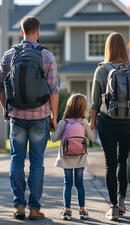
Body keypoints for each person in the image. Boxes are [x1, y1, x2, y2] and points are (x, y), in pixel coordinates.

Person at [0, 16, 59, 220]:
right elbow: (54, 91)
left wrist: (6, 108)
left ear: (22, 31)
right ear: (37, 32)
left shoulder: (10, 54)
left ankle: (19, 206)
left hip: (17, 116)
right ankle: (34, 209)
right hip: (40, 116)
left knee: (16, 160)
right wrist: (54, 118)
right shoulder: (47, 56)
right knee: (37, 163)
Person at [89, 32, 130, 221]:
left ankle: (112, 207)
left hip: (107, 122)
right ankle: (122, 201)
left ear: (108, 48)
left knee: (110, 163)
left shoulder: (101, 70)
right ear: (124, 47)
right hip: (129, 123)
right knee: (123, 162)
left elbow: (94, 102)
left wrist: (92, 123)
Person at [50, 93, 96, 221]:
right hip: (80, 158)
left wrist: (51, 128)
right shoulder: (84, 122)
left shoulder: (64, 122)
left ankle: (66, 210)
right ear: (83, 108)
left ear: (69, 107)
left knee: (67, 184)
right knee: (79, 184)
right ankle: (82, 210)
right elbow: (92, 138)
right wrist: (94, 126)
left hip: (66, 158)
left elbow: (53, 138)